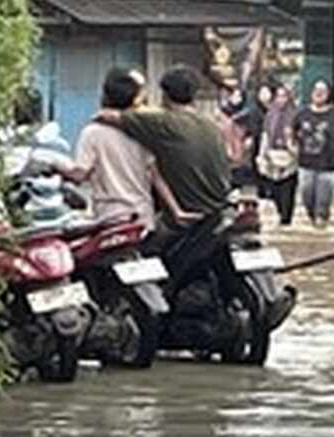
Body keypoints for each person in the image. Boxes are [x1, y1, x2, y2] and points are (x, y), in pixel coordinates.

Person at [94, 67, 233, 296]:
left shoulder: (162, 123)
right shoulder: (211, 126)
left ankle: (156, 298)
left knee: (142, 253)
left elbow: (107, 116)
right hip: (218, 213)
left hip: (187, 218)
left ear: (164, 95)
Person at [56, 69, 196, 232]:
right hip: (142, 218)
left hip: (110, 218)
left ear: (105, 96)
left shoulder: (92, 132)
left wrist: (55, 165)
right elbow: (155, 175)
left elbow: (79, 174)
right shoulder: (144, 131)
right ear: (135, 99)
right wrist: (176, 210)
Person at [290, 80, 334, 228]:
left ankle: (321, 219)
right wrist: (292, 147)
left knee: (323, 198)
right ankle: (312, 218)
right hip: (305, 163)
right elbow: (290, 131)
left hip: (329, 164)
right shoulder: (302, 114)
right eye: (316, 89)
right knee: (306, 194)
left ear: (328, 94)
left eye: (322, 90)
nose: (318, 93)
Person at [256, 85, 298, 226]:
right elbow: (266, 135)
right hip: (273, 158)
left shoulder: (295, 116)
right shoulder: (270, 115)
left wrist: (294, 150)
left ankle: (286, 220)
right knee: (275, 192)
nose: (281, 100)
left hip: (290, 159)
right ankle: (281, 215)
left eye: (284, 96)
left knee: (287, 193)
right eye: (278, 96)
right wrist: (262, 156)